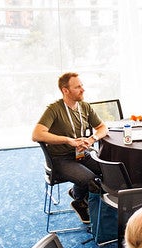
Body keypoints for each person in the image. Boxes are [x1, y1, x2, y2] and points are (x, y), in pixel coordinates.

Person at [32, 72, 108, 225]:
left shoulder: (84, 107)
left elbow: (102, 127)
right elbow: (36, 134)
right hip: (60, 159)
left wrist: (92, 138)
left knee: (108, 171)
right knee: (91, 180)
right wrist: (68, 140)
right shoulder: (54, 109)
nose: (83, 90)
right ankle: (79, 201)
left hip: (80, 153)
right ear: (65, 90)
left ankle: (77, 191)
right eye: (77, 87)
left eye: (82, 85)